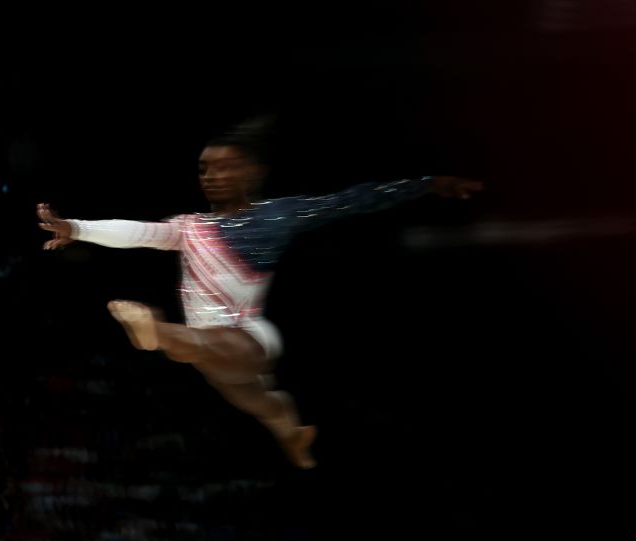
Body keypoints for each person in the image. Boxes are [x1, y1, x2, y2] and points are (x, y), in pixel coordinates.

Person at [37, 119, 482, 468]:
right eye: (204, 168)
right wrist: (76, 227)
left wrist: (426, 184)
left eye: (224, 167)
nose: (211, 176)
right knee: (261, 403)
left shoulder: (277, 215)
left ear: (252, 172)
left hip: (247, 336)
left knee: (201, 347)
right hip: (210, 352)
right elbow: (138, 232)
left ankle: (154, 332)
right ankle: (292, 434)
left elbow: (349, 200)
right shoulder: (190, 227)